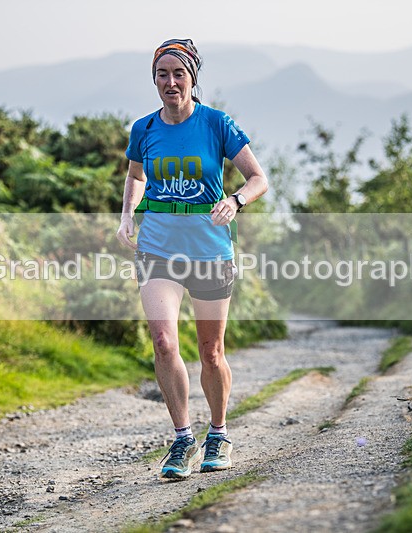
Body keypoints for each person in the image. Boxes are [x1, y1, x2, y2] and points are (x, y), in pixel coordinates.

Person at [116, 38, 268, 480]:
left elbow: (258, 178)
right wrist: (127, 216)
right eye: (161, 74)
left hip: (208, 248)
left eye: (177, 73)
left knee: (211, 350)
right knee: (163, 342)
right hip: (158, 246)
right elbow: (135, 176)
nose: (169, 82)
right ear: (154, 80)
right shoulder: (143, 129)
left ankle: (218, 433)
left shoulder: (217, 124)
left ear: (192, 77)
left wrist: (236, 201)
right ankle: (183, 439)